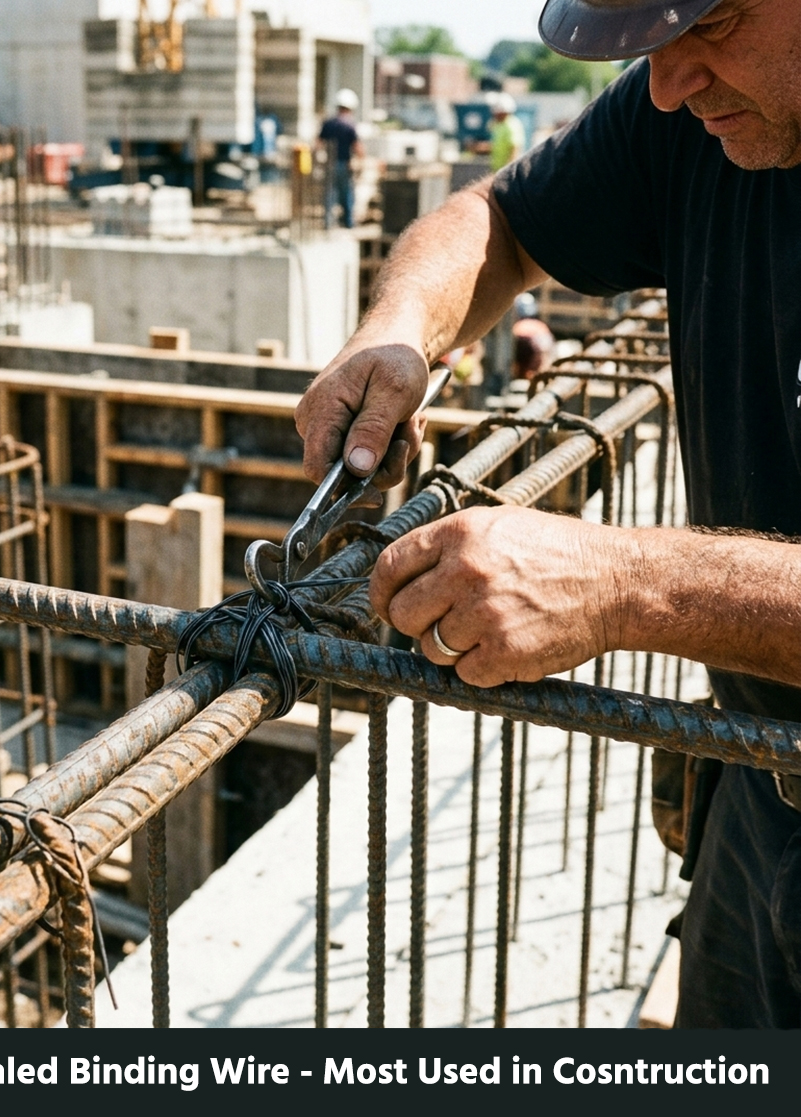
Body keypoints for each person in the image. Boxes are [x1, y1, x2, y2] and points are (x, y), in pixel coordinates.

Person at [294, 0, 801, 1029]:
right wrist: (398, 329)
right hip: (765, 788)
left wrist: (625, 582)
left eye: (716, 25)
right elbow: (501, 220)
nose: (666, 86)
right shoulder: (698, 104)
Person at [318, 88, 364, 229]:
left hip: (330, 164)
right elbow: (358, 147)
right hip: (344, 164)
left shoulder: (328, 123)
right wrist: (362, 160)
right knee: (346, 194)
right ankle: (348, 222)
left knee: (329, 194)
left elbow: (318, 144)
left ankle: (328, 223)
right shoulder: (349, 125)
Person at [488, 91, 527, 172]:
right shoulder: (499, 125)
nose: (494, 114)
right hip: (497, 170)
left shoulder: (512, 125)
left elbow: (515, 149)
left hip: (505, 172)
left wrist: (507, 173)